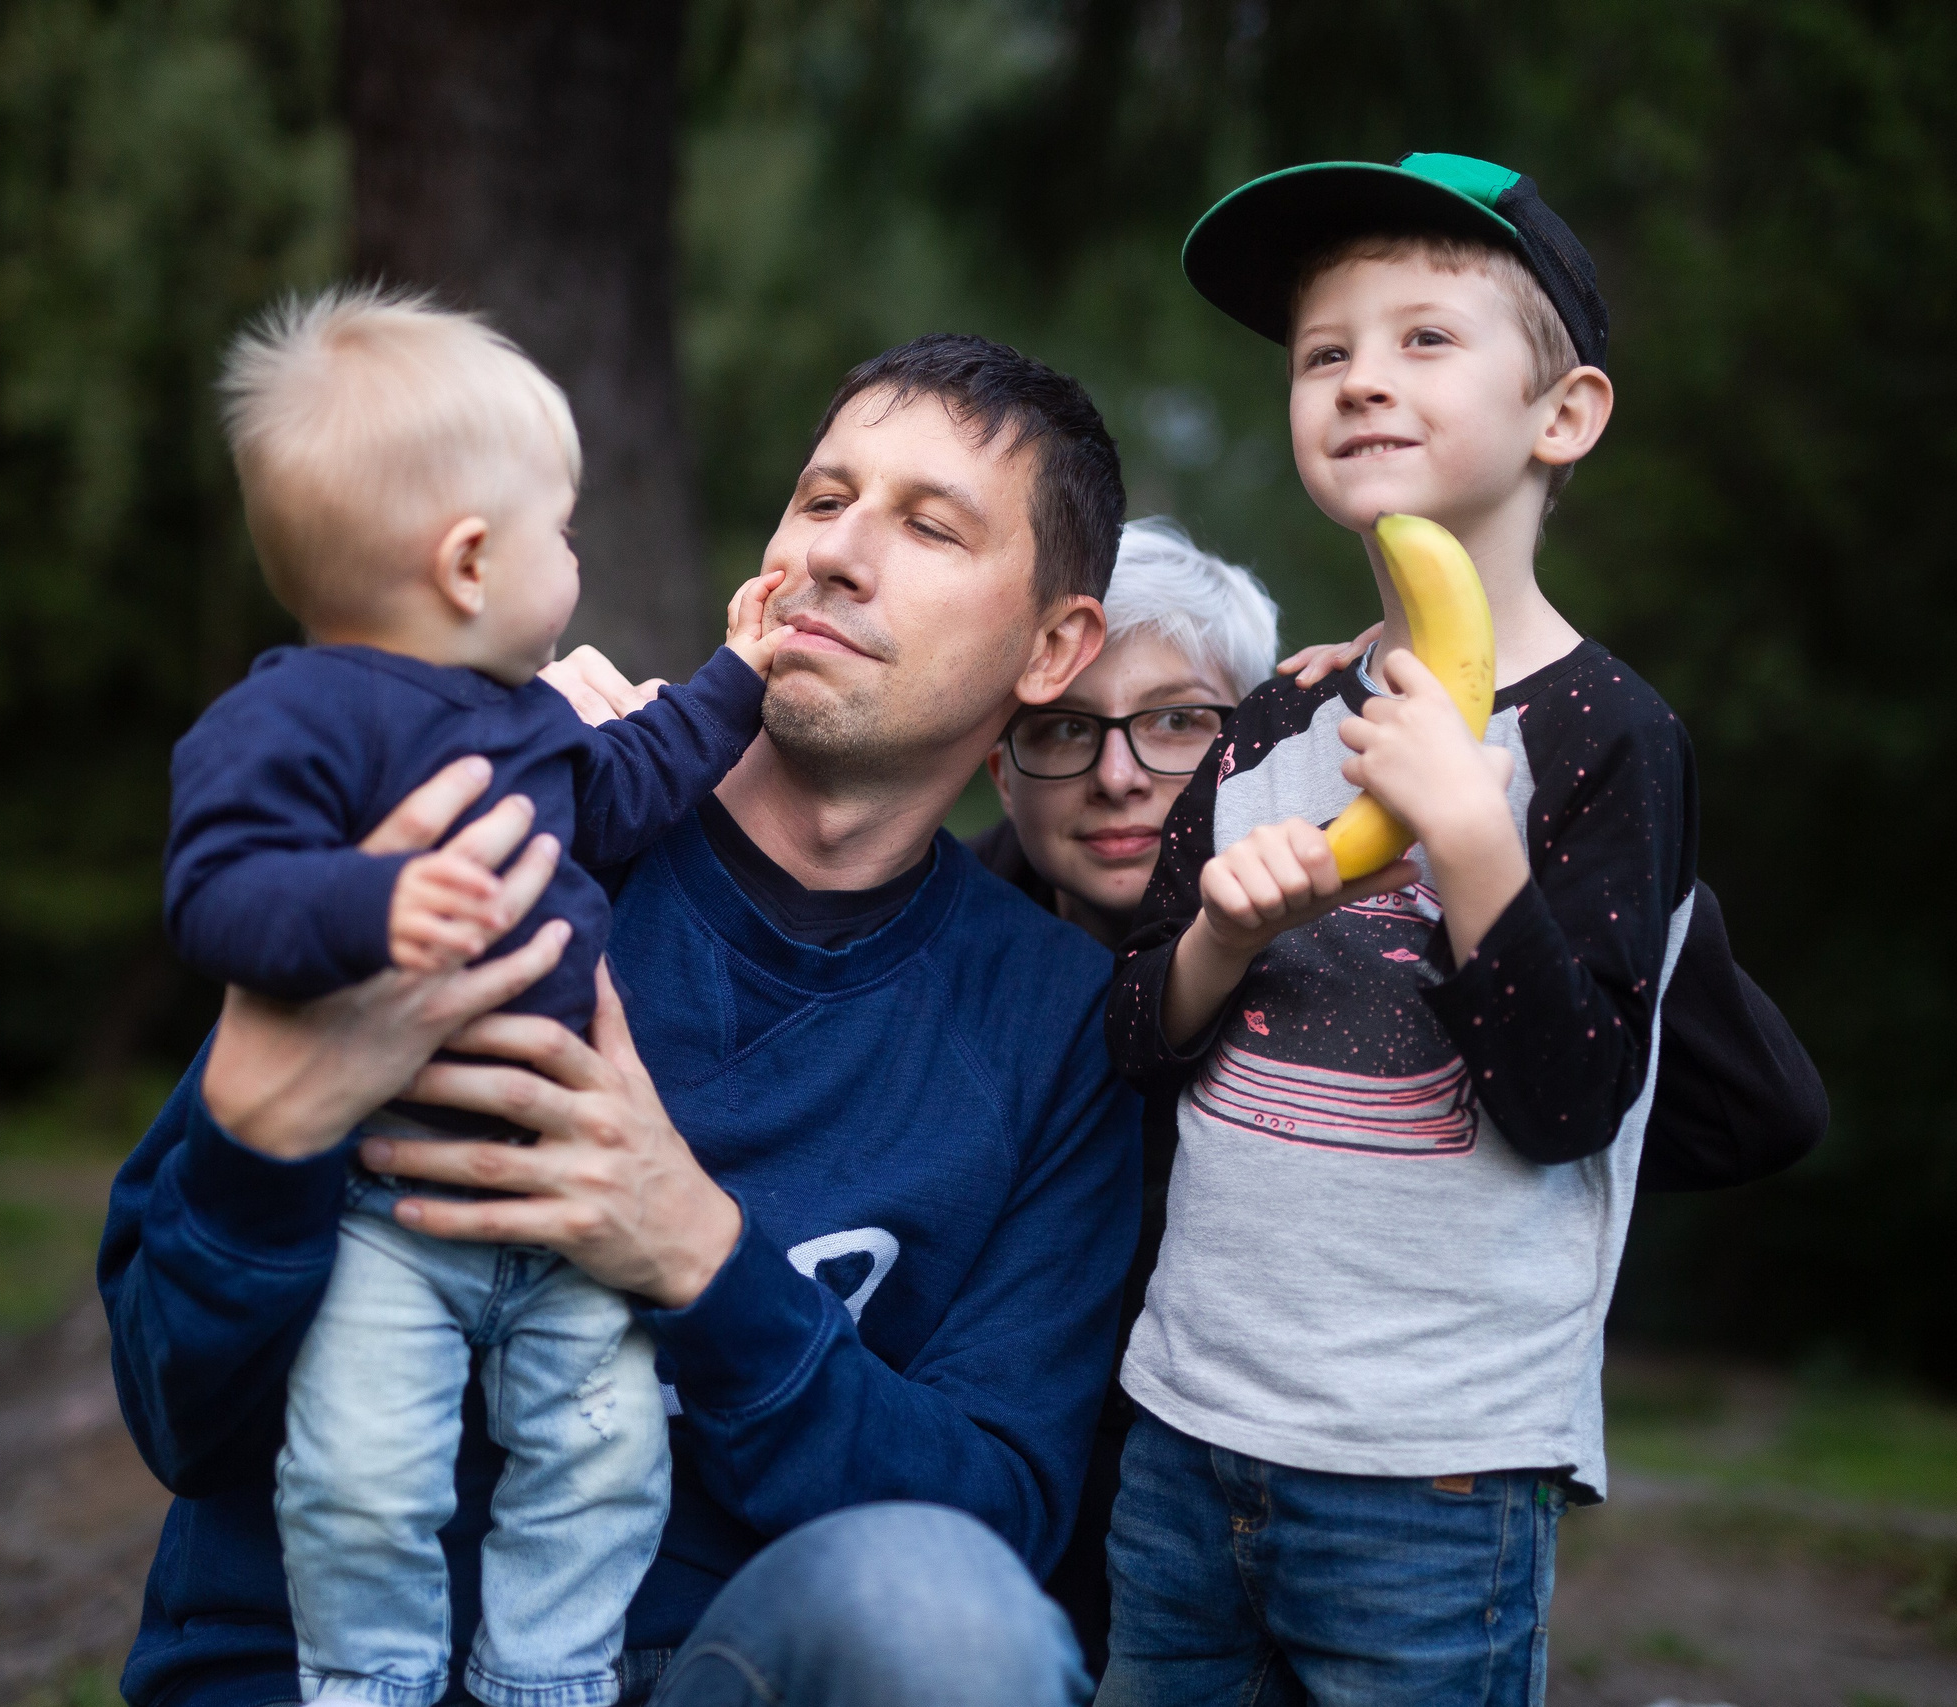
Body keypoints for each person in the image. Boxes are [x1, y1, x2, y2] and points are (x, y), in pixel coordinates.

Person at [101, 333, 1144, 1707]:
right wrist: (262, 1133)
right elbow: (181, 1413)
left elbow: (998, 1516)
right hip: (310, 1664)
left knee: (941, 1618)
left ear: (1054, 644)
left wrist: (699, 1253)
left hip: (712, 1664)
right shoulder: (498, 819)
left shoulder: (1052, 1019)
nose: (837, 553)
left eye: (929, 524)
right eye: (822, 500)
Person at [968, 520, 1823, 1680]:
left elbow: (1749, 1108)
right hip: (1051, 1565)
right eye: (1062, 728)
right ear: (996, 758)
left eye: (1179, 720)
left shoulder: (1404, 898)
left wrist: (1536, 828)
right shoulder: (948, 950)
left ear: (1262, 733)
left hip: (1357, 1510)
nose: (1120, 773)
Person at [1097, 152, 1699, 1705]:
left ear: (1561, 416)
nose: (1362, 377)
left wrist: (1474, 836)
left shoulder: (1608, 735)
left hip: (1434, 1474)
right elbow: (1128, 1036)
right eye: (1324, 351)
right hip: (1185, 1428)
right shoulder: (1271, 719)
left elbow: (1573, 1099)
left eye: (1426, 337)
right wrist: (1223, 940)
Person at [158, 289, 796, 1707]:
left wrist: (742, 672)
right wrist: (371, 906)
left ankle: (546, 1676)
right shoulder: (285, 721)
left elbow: (640, 778)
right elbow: (214, 893)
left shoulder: (532, 723)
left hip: (563, 1205)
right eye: (561, 529)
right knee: (364, 1468)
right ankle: (373, 1680)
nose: (576, 551)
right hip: (391, 1205)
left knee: (604, 1453)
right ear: (467, 560)